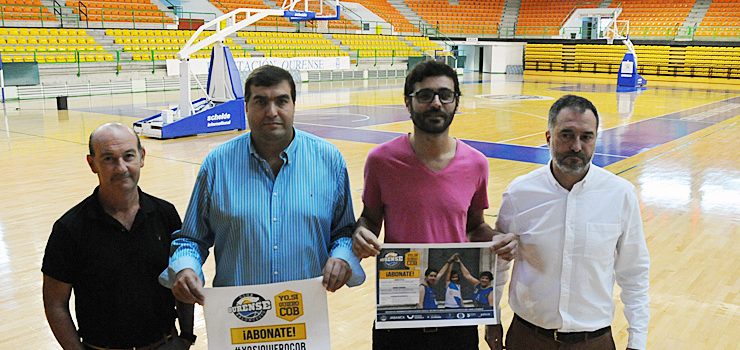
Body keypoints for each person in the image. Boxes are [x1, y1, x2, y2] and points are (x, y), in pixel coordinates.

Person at [160, 65, 364, 306]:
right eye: (260, 102)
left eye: (281, 101)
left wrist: (341, 257)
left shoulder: (329, 160)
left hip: (304, 317)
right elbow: (191, 239)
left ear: (294, 105)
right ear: (246, 107)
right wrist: (186, 268)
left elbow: (343, 231)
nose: (271, 111)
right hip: (237, 319)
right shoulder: (217, 164)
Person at [352, 60, 517, 350]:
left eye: (445, 95)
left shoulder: (476, 163)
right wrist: (360, 233)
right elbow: (369, 220)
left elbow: (475, 226)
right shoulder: (380, 161)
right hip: (398, 307)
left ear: (456, 102)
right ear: (408, 102)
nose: (436, 103)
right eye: (425, 95)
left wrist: (498, 239)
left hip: (456, 318)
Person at [495, 95, 650, 350]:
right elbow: (498, 265)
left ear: (595, 139)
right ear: (548, 137)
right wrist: (493, 319)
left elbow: (634, 273)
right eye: (566, 135)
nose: (576, 146)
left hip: (594, 341)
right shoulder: (519, 193)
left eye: (586, 137)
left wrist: (637, 342)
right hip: (527, 338)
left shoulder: (620, 195)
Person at [41, 123, 195, 349]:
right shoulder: (69, 228)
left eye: (128, 156)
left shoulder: (166, 214)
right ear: (92, 163)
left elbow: (180, 278)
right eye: (108, 159)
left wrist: (186, 336)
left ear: (142, 157)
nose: (121, 167)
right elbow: (55, 303)